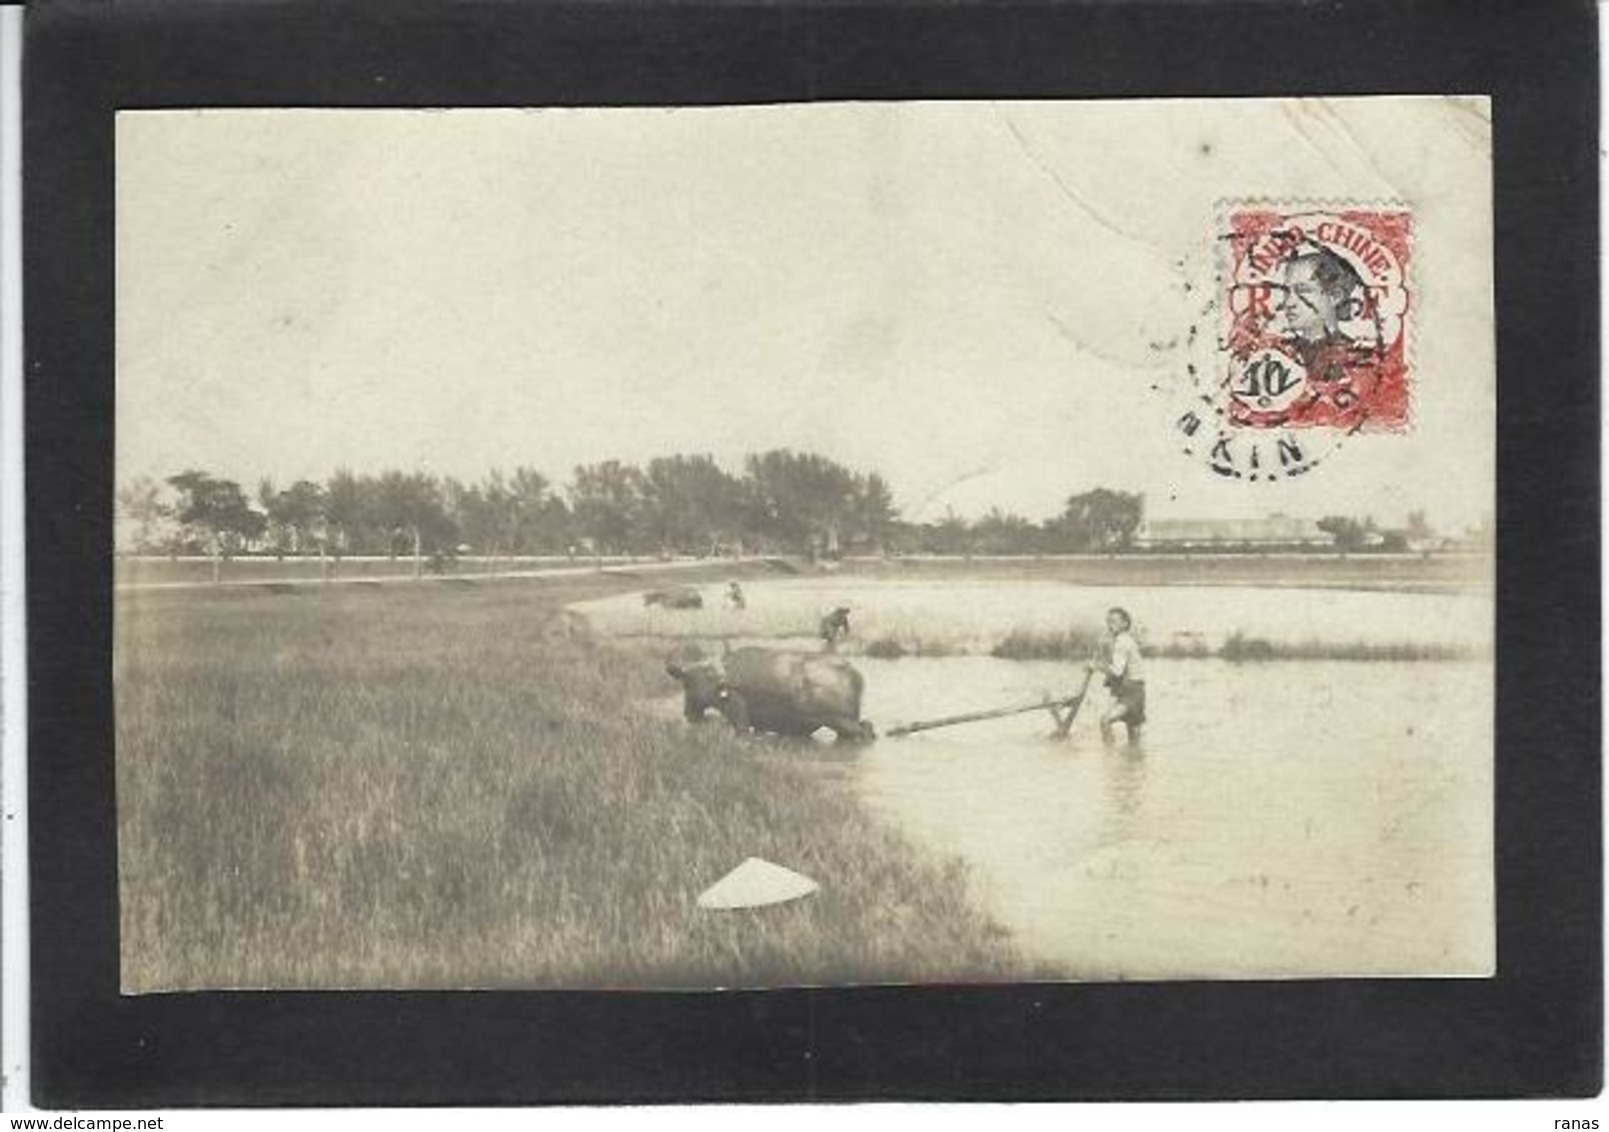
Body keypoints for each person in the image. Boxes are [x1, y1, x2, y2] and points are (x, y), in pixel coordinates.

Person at [1087, 606, 1145, 743]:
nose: (1109, 625)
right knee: (1134, 738)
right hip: (1136, 690)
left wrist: (1095, 666)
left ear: (1125, 624)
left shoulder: (1122, 642)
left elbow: (1116, 671)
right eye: (1108, 621)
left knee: (1105, 721)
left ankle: (1108, 758)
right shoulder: (1126, 640)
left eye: (1113, 622)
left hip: (1131, 692)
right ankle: (1131, 761)